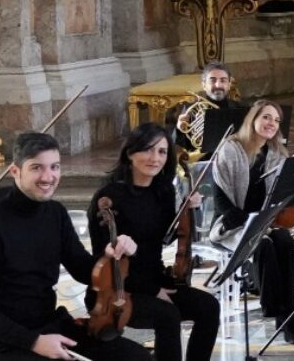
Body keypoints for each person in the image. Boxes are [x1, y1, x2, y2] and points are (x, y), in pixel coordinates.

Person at [0, 133, 149, 361]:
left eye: (55, 167)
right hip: (4, 342)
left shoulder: (55, 213)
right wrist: (34, 342)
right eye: (37, 168)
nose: (48, 177)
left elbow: (82, 269)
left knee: (135, 356)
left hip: (49, 325)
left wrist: (110, 257)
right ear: (15, 171)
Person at [89, 125, 220, 361]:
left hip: (155, 278)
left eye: (161, 152)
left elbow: (167, 237)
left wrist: (187, 212)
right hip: (119, 289)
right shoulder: (108, 198)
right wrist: (154, 290)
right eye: (148, 150)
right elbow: (102, 258)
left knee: (209, 306)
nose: (155, 158)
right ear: (130, 153)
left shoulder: (163, 192)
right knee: (168, 315)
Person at [209, 100, 294, 344]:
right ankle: (280, 313)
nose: (271, 123)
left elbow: (281, 196)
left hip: (263, 221)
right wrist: (248, 220)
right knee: (263, 245)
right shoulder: (230, 150)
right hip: (231, 223)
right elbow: (221, 200)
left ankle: (288, 311)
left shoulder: (277, 154)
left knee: (283, 239)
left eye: (276, 120)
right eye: (266, 117)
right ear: (253, 119)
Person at [173, 63, 243, 163]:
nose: (218, 85)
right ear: (204, 85)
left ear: (229, 85)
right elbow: (178, 148)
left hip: (232, 164)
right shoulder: (192, 110)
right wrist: (179, 130)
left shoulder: (238, 108)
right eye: (212, 80)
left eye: (223, 80)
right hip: (202, 165)